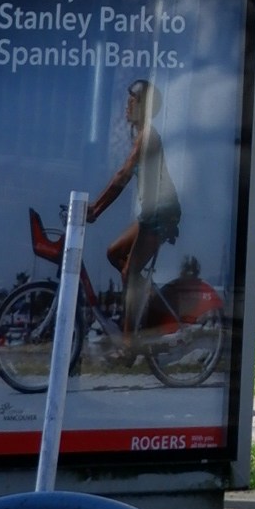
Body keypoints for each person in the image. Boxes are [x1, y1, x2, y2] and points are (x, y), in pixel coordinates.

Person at [88, 81, 182, 350]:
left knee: (129, 271)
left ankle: (129, 346)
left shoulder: (148, 136)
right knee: (112, 253)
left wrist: (96, 208)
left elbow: (123, 175)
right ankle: (147, 295)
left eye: (134, 102)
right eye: (128, 101)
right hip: (150, 213)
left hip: (161, 213)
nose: (128, 106)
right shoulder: (141, 135)